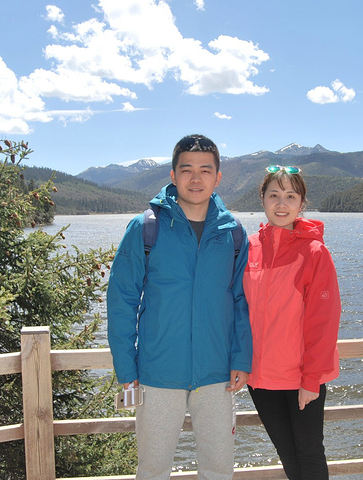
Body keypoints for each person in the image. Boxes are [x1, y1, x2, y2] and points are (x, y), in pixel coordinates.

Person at [107, 134, 252, 480]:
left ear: (218, 177)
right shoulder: (146, 228)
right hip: (157, 373)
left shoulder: (233, 233)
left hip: (218, 375)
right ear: (173, 175)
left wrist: (242, 358)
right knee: (153, 470)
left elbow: (241, 301)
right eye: (187, 170)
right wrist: (127, 369)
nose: (196, 178)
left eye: (205, 170)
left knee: (219, 470)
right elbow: (122, 301)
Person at [243, 165, 341, 480]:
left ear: (301, 203)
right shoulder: (248, 247)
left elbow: (324, 321)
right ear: (262, 199)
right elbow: (238, 310)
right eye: (274, 195)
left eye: (290, 196)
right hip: (260, 377)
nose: (281, 204)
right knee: (286, 453)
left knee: (309, 456)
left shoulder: (314, 252)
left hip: (300, 376)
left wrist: (311, 379)